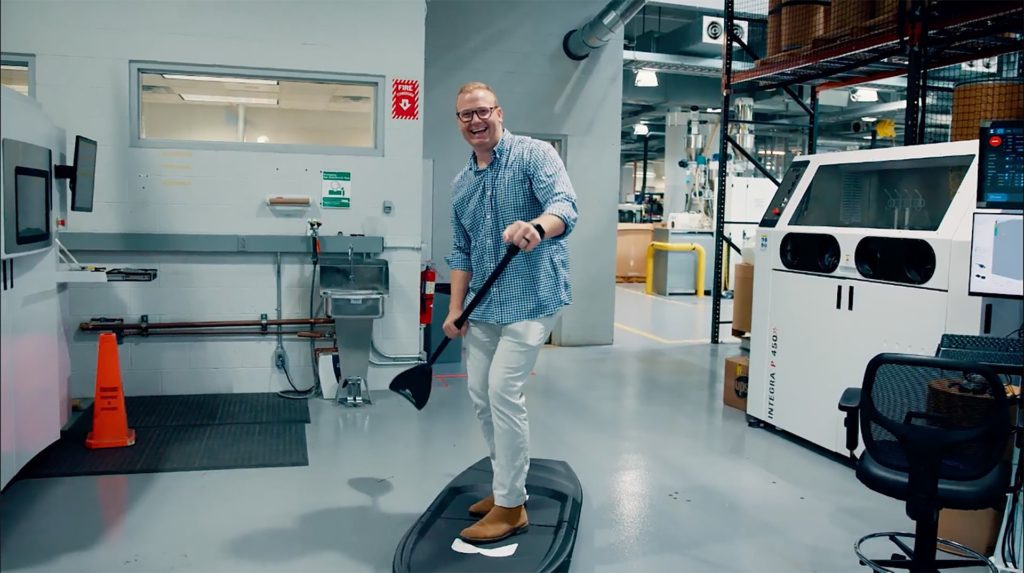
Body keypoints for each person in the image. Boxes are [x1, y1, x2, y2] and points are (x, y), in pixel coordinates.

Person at [444, 82, 578, 544]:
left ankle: (510, 509)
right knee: (481, 397)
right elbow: (460, 249)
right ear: (459, 122)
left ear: (499, 111)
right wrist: (455, 308)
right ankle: (508, 490)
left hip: (533, 297)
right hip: (483, 303)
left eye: (482, 111)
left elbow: (566, 206)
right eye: (466, 115)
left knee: (503, 391)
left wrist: (538, 225)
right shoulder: (461, 182)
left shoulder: (534, 155)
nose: (475, 121)